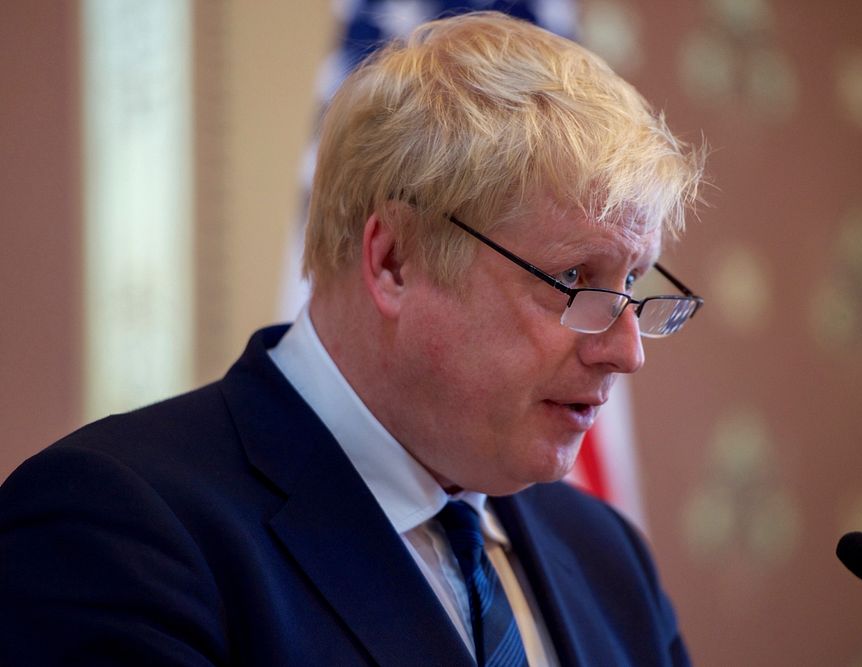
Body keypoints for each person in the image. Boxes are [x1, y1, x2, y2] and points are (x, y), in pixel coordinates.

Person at [0, 11, 703, 666]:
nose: (626, 349)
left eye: (633, 282)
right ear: (393, 260)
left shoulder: (608, 556)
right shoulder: (113, 527)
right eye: (574, 276)